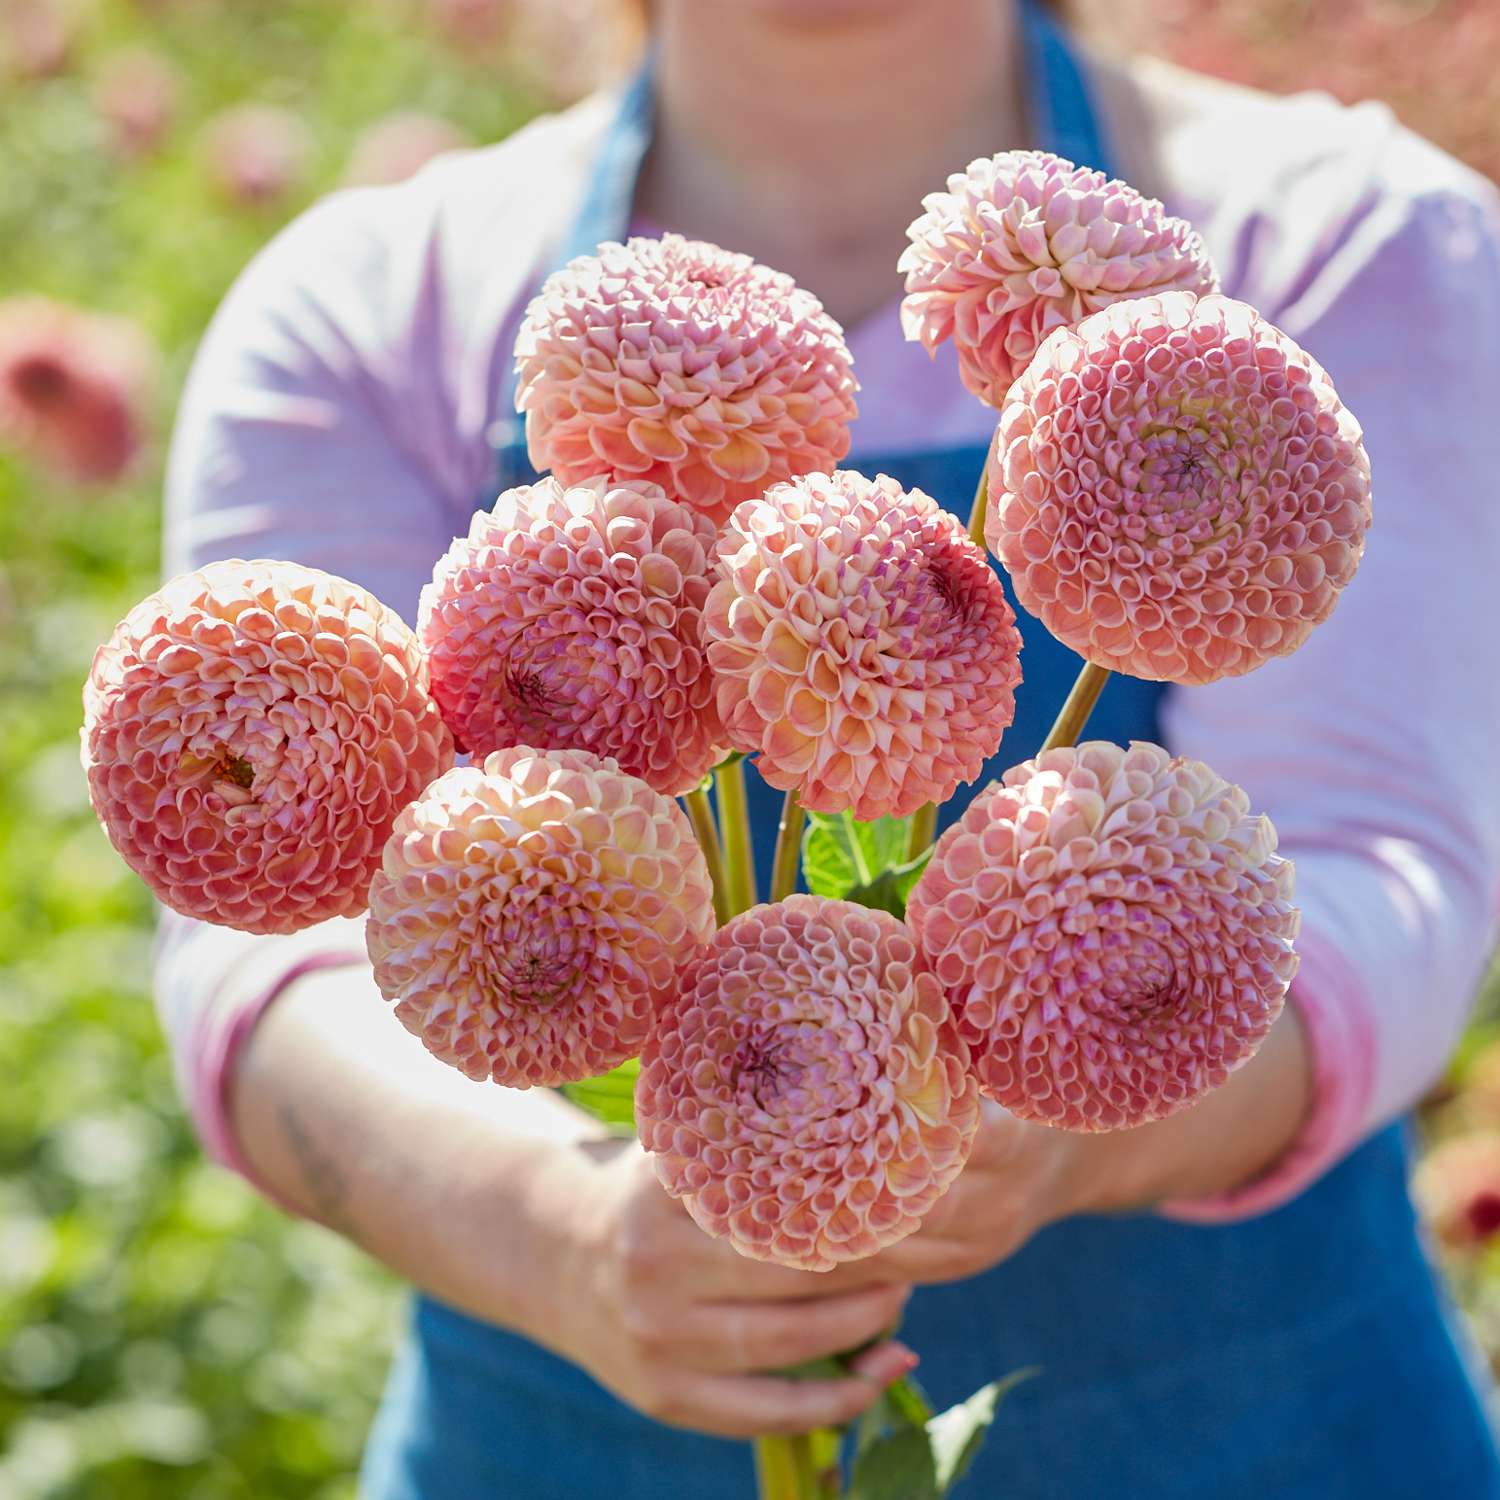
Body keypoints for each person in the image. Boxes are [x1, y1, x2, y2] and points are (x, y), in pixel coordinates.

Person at [156, 1, 1500, 1494]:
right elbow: (263, 962)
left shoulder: (1349, 241)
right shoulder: (369, 309)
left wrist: (1072, 1127)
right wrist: (556, 1235)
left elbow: (1383, 862)